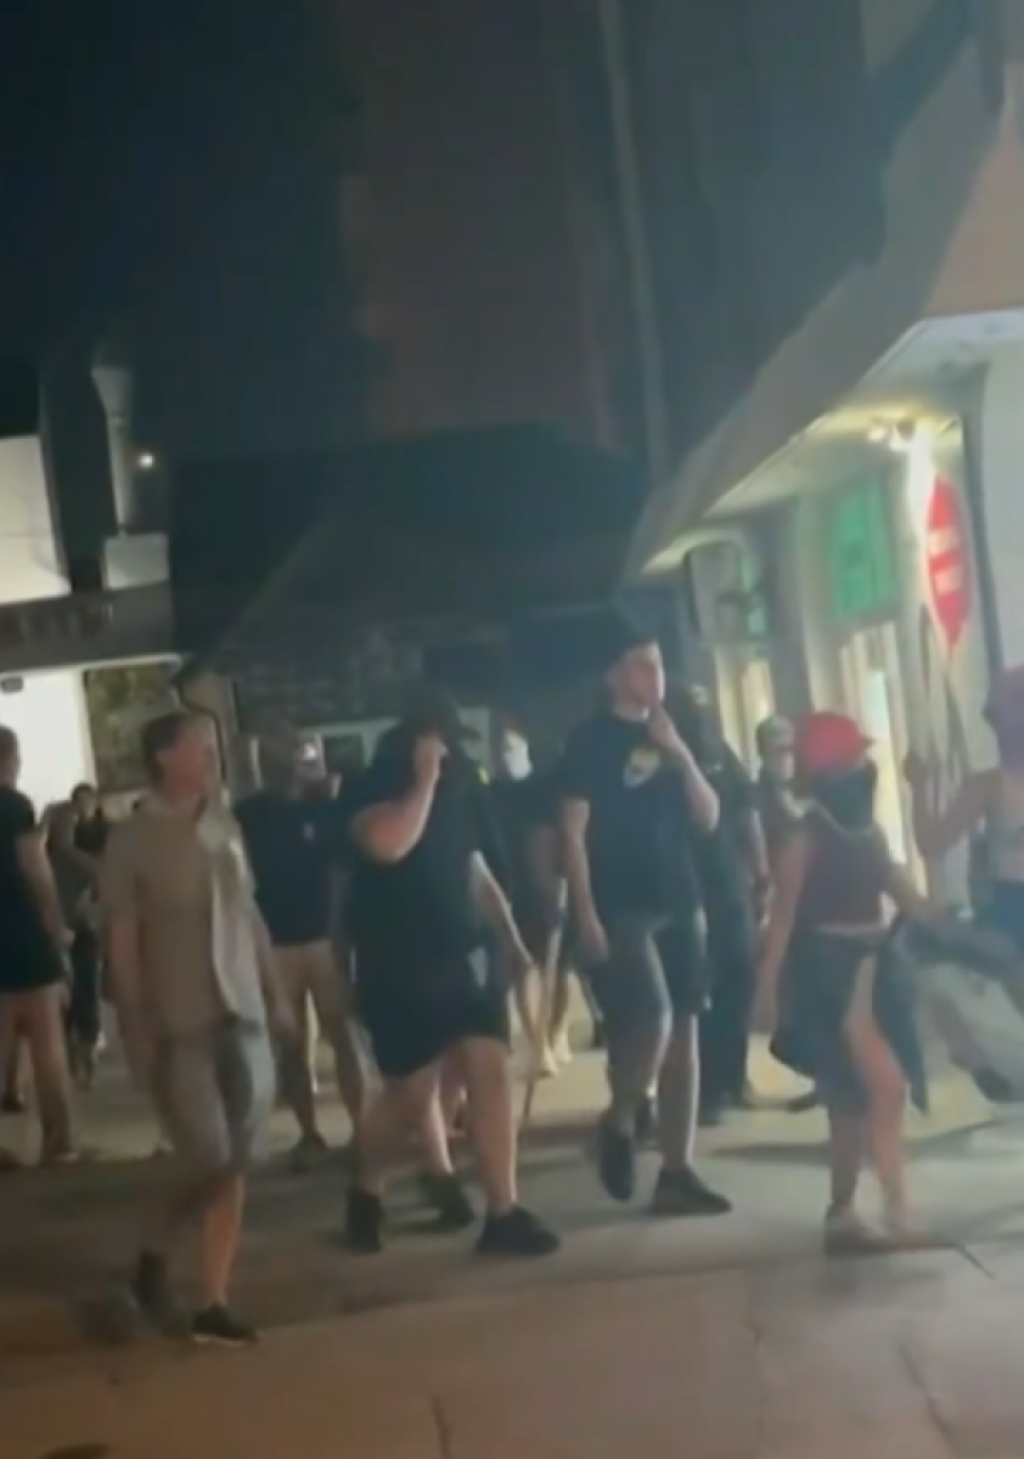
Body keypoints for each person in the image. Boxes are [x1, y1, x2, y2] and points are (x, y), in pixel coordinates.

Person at [342, 685, 559, 1258]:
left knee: (489, 1068)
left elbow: (474, 869)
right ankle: (366, 1188)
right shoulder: (370, 786)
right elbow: (389, 845)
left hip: (465, 954)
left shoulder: (463, 789)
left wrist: (509, 937)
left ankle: (503, 1211)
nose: (455, 754)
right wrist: (424, 782)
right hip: (399, 964)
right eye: (446, 743)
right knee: (411, 1096)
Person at [101, 711, 293, 1346]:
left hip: (242, 1012)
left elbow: (250, 913)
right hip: (178, 1020)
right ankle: (152, 1255)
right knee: (207, 1155)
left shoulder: (224, 823)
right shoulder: (132, 839)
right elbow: (123, 941)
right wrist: (136, 1020)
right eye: (200, 746)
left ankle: (213, 1299)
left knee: (236, 1159)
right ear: (163, 758)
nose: (212, 756)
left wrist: (276, 993)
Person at [559, 620, 730, 1216]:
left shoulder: (675, 732)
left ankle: (677, 1169)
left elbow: (709, 817)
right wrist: (584, 912)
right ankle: (622, 1116)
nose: (655, 675)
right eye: (641, 665)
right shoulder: (588, 742)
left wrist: (679, 752)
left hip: (679, 894)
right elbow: (573, 834)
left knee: (685, 1032)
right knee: (652, 1017)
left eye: (658, 664)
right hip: (621, 899)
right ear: (614, 675)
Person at [758, 712, 935, 1253]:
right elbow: (783, 916)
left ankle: (850, 1209)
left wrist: (946, 927)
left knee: (858, 1100)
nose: (867, 766)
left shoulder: (868, 833)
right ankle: (886, 1208)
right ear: (833, 770)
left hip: (874, 969)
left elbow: (901, 891)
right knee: (878, 1088)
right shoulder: (805, 836)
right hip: (830, 971)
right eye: (857, 757)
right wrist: (767, 989)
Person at [236, 725, 365, 1167]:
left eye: (293, 755)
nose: (286, 765)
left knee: (342, 1035)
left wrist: (339, 935)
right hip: (276, 943)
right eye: (275, 756)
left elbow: (340, 875)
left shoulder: (325, 808)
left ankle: (362, 1128)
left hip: (322, 938)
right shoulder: (248, 815)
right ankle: (309, 1132)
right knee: (291, 1042)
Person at [671, 686, 769, 1125]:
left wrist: (761, 872)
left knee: (740, 978)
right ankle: (708, 1090)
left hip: (729, 884)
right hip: (685, 889)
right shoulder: (663, 760)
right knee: (700, 990)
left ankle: (735, 1075)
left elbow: (748, 813)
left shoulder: (722, 755)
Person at [905, 665, 1024, 957]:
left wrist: (919, 787)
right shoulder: (987, 786)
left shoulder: (988, 786)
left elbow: (931, 843)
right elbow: (932, 844)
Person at [0, 727, 78, 1162]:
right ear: (9, 759)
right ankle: (58, 1140)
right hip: (23, 934)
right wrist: (57, 925)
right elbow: (35, 867)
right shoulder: (14, 806)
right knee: (48, 1043)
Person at [489, 718, 567, 1073]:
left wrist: (553, 883)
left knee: (559, 968)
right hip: (512, 888)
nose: (506, 755)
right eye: (501, 749)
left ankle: (554, 1031)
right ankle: (538, 1041)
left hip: (544, 888)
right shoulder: (494, 793)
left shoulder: (544, 789)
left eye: (512, 747)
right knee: (521, 967)